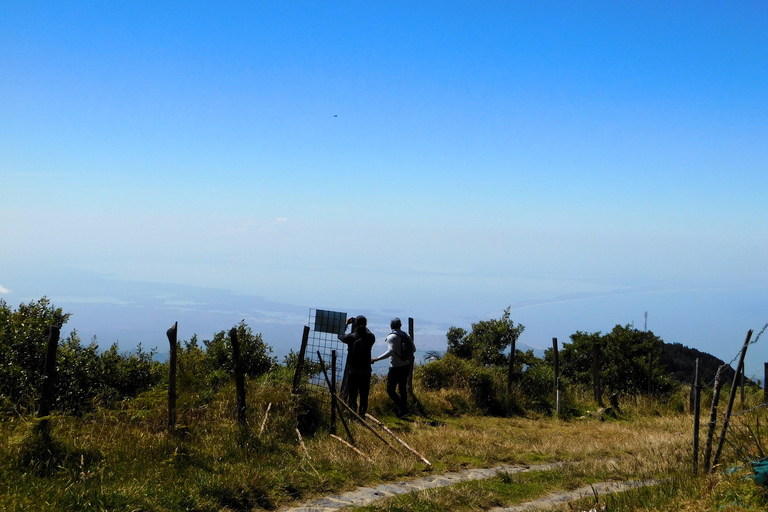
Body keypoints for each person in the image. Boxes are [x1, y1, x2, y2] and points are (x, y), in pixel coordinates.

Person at [372, 317, 413, 418]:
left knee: (390, 390)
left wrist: (377, 358)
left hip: (395, 367)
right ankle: (404, 411)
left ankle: (403, 409)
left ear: (391, 326)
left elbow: (390, 351)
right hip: (406, 365)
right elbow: (414, 349)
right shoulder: (406, 335)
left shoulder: (392, 337)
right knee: (402, 389)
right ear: (401, 325)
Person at [338, 315, 375, 417]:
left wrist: (345, 324)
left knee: (353, 395)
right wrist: (360, 324)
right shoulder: (371, 337)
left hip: (353, 371)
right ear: (366, 325)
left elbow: (340, 336)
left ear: (356, 325)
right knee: (364, 395)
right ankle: (362, 415)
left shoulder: (351, 337)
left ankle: (353, 415)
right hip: (366, 370)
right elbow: (366, 331)